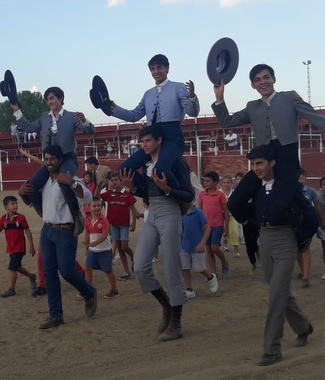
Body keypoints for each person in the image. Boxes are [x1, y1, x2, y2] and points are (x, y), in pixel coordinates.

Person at [212, 63, 325, 250]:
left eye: (266, 77)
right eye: (257, 80)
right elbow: (227, 122)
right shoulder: (252, 106)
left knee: (284, 202)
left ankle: (304, 232)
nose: (263, 82)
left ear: (274, 79)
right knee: (234, 202)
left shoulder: (289, 97)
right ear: (253, 85)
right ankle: (265, 222)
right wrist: (219, 97)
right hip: (264, 161)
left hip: (287, 160)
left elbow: (316, 118)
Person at [119, 124, 194, 342]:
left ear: (159, 141)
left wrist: (167, 188)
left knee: (171, 268)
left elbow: (188, 195)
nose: (145, 146)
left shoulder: (175, 161)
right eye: (142, 143)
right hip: (152, 213)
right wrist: (131, 187)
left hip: (170, 213)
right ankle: (166, 305)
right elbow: (144, 193)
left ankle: (176, 323)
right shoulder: (144, 165)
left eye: (148, 141)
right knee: (140, 266)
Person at [247, 145, 314, 366]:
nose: (256, 168)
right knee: (278, 289)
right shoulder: (255, 187)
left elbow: (311, 217)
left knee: (276, 295)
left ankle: (272, 350)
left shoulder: (288, 186)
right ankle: (303, 326)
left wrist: (301, 243)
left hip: (286, 239)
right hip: (264, 238)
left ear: (272, 163)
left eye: (260, 163)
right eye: (253, 164)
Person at [18, 145, 97, 329]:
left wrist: (72, 183)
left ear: (60, 160)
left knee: (67, 271)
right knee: (49, 272)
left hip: (65, 230)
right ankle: (55, 315)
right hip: (47, 230)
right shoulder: (43, 181)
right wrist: (23, 194)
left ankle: (88, 292)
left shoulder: (71, 179)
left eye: (52, 159)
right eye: (46, 159)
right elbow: (33, 202)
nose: (49, 163)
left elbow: (87, 197)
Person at [11, 86, 95, 236]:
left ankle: (77, 215)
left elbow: (89, 131)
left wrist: (85, 121)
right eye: (47, 99)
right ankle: (43, 212)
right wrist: (17, 110)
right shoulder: (45, 117)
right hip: (50, 161)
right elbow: (29, 127)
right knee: (31, 187)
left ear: (61, 99)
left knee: (64, 181)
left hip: (68, 158)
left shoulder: (72, 116)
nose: (49, 101)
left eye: (52, 98)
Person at [111, 54, 200, 189]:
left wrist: (192, 97)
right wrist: (114, 109)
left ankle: (183, 194)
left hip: (172, 137)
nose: (155, 71)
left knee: (160, 169)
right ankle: (147, 195)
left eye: (159, 68)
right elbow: (134, 115)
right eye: (152, 69)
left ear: (167, 68)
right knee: (124, 169)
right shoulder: (148, 94)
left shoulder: (178, 87)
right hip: (152, 139)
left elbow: (193, 112)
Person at [95, 172, 137, 281]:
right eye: (112, 180)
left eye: (116, 180)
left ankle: (133, 258)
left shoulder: (126, 194)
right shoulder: (109, 193)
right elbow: (96, 196)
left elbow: (133, 208)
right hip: (113, 224)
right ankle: (127, 271)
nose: (114, 182)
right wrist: (99, 187)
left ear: (120, 181)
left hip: (123, 225)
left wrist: (134, 223)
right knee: (119, 248)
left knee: (123, 247)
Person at [0, 196, 36, 298]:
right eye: (13, 203)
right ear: (6, 207)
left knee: (12, 267)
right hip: (10, 248)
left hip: (19, 247)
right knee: (17, 266)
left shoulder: (21, 218)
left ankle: (11, 289)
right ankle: (32, 276)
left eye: (16, 203)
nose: (15, 205)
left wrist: (31, 246)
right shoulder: (3, 219)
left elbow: (27, 231)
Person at [181, 202, 218, 299]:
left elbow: (207, 228)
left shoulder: (199, 213)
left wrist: (202, 243)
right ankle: (189, 289)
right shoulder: (182, 213)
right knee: (185, 267)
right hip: (185, 245)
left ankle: (211, 277)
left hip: (197, 245)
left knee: (199, 268)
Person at [84, 197, 119, 299]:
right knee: (87, 268)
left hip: (104, 250)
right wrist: (87, 247)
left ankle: (114, 290)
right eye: (94, 206)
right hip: (93, 251)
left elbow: (104, 236)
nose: (97, 208)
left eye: (99, 205)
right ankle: (88, 289)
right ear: (89, 208)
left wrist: (94, 243)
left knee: (108, 270)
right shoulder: (88, 221)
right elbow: (87, 234)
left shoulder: (104, 221)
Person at [296, 168, 325, 287]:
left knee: (305, 249)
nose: (301, 178)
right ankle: (302, 270)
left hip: (307, 224)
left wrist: (321, 220)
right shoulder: (290, 191)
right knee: (297, 250)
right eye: (299, 176)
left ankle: (306, 276)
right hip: (295, 225)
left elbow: (316, 208)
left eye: (303, 176)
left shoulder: (311, 191)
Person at [199, 172, 229, 276]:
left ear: (215, 182)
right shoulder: (202, 194)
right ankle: (213, 273)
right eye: (204, 180)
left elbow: (225, 211)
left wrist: (227, 226)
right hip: (206, 226)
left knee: (214, 247)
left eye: (208, 181)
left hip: (217, 225)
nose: (205, 183)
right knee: (209, 250)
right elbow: (201, 211)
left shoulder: (220, 195)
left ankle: (224, 261)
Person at [220, 174, 240, 258]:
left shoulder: (235, 192)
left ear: (231, 183)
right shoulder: (219, 192)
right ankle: (225, 244)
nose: (226, 184)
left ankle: (236, 251)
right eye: (224, 182)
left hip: (232, 215)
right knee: (224, 231)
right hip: (221, 215)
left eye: (228, 182)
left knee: (233, 231)